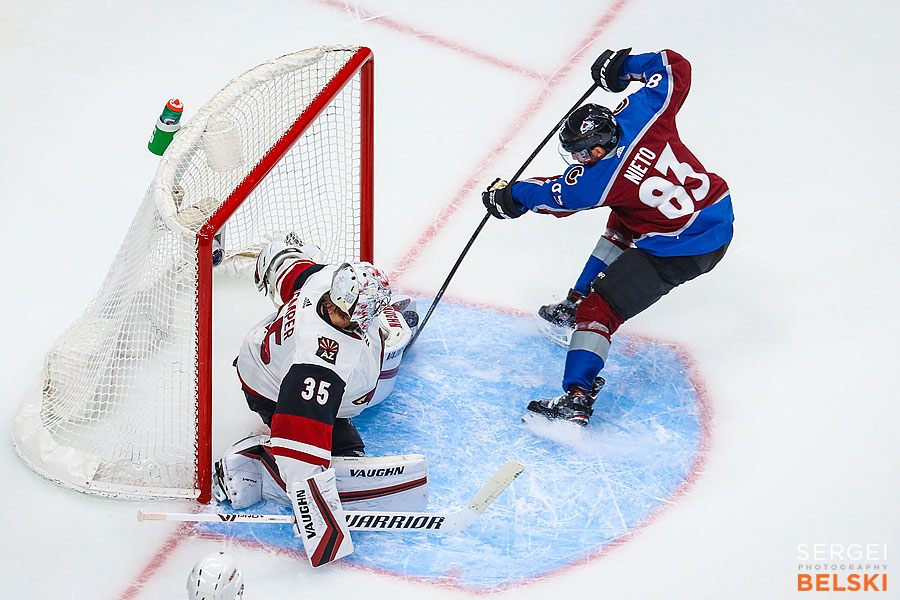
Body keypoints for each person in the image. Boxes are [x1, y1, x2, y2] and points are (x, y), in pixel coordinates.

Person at [482, 48, 734, 427]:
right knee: (625, 214)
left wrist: (510, 197)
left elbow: (551, 196)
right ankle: (575, 300)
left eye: (580, 154)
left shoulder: (597, 182)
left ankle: (576, 397)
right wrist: (624, 68)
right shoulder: (644, 111)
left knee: (599, 312)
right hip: (715, 213)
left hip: (682, 248)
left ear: (597, 149)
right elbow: (674, 65)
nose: (577, 161)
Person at [213, 233, 422, 566]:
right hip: (272, 388)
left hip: (270, 355)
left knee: (378, 370)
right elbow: (299, 444)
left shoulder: (324, 280)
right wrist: (322, 528)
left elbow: (283, 264)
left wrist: (280, 254)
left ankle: (385, 338)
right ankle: (256, 463)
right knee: (345, 450)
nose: (341, 314)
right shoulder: (319, 364)